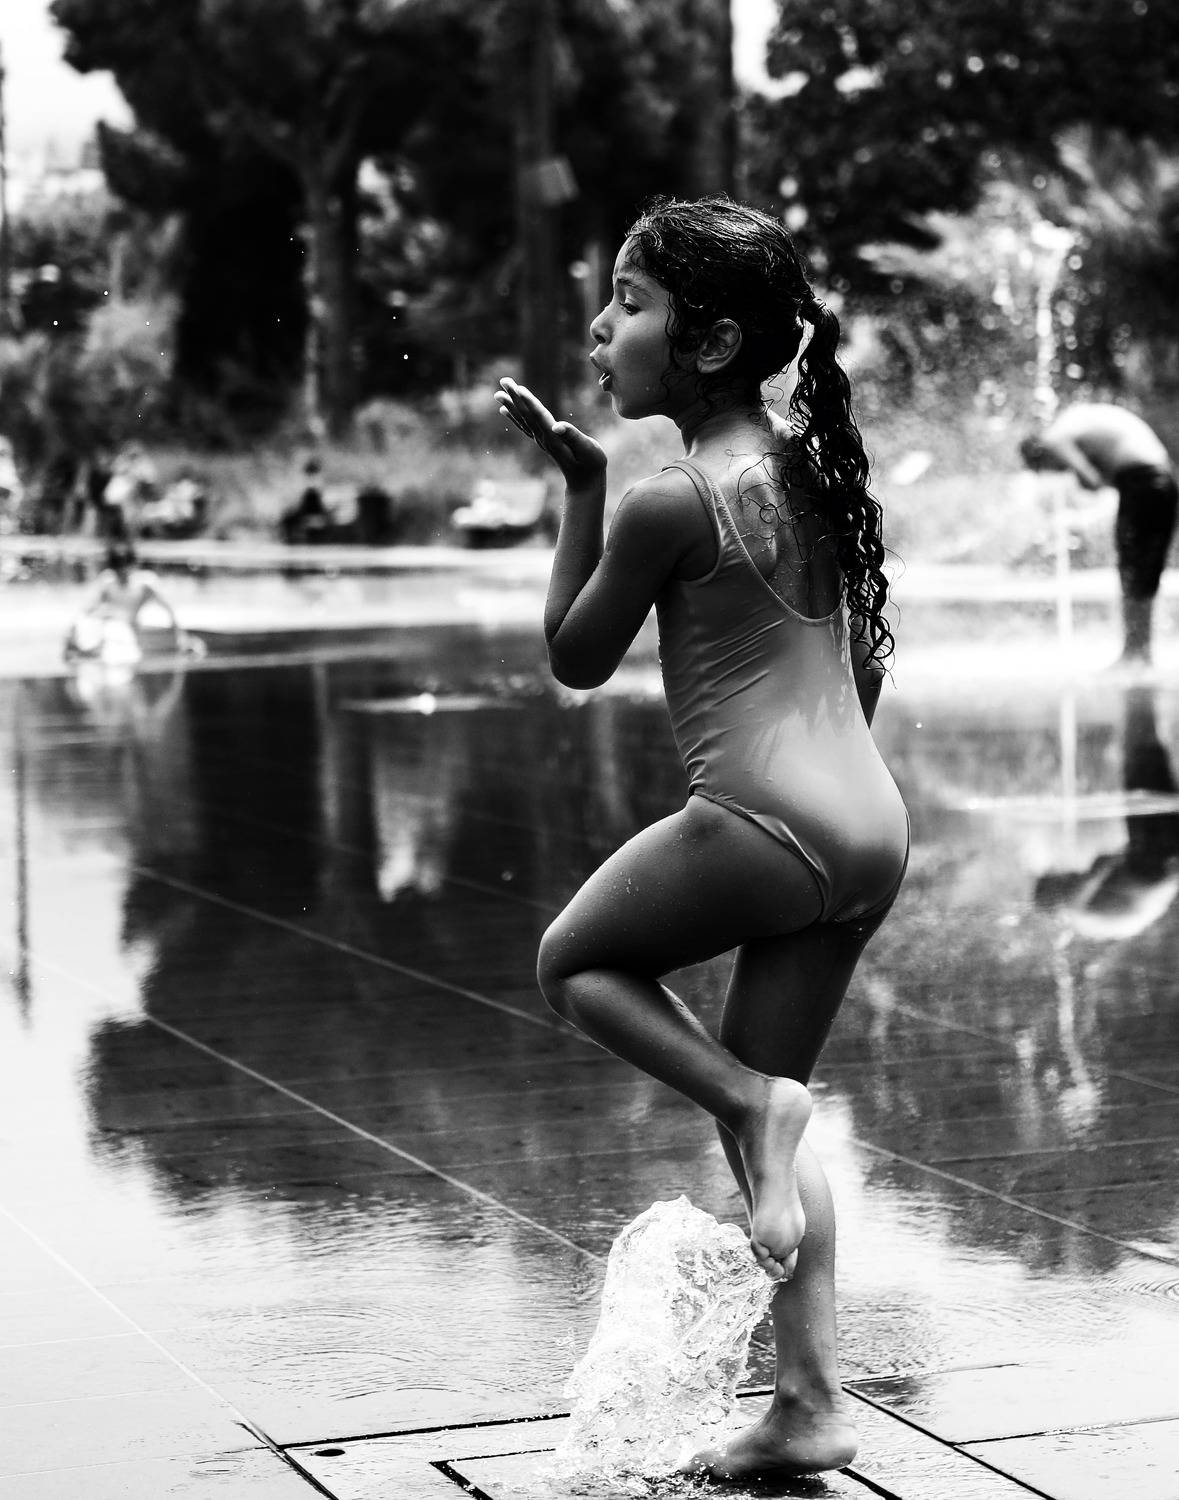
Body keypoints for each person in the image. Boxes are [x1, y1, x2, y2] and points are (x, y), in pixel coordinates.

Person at [494, 195, 908, 1480]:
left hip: (760, 818)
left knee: (577, 963)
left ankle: (749, 1100)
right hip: (868, 824)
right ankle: (810, 1405)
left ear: (713, 342)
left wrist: (580, 489)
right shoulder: (816, 472)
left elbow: (575, 656)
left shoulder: (669, 497)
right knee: (769, 1134)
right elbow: (864, 663)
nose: (601, 325)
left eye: (630, 302)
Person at [1020, 403, 1178, 666]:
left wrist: (1084, 475)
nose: (1060, 471)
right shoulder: (1079, 421)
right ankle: (1139, 650)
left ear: (1041, 454)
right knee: (1142, 568)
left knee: (1136, 568)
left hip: (1144, 482)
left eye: (1052, 467)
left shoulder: (1054, 436)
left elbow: (1090, 479)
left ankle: (1135, 653)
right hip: (1157, 480)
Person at [64, 541, 201, 664]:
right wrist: (73, 633)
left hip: (129, 634)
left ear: (133, 566)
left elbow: (168, 608)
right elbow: (87, 609)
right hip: (108, 631)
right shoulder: (107, 581)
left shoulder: (145, 583)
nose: (122, 574)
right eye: (118, 571)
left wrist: (180, 636)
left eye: (125, 569)